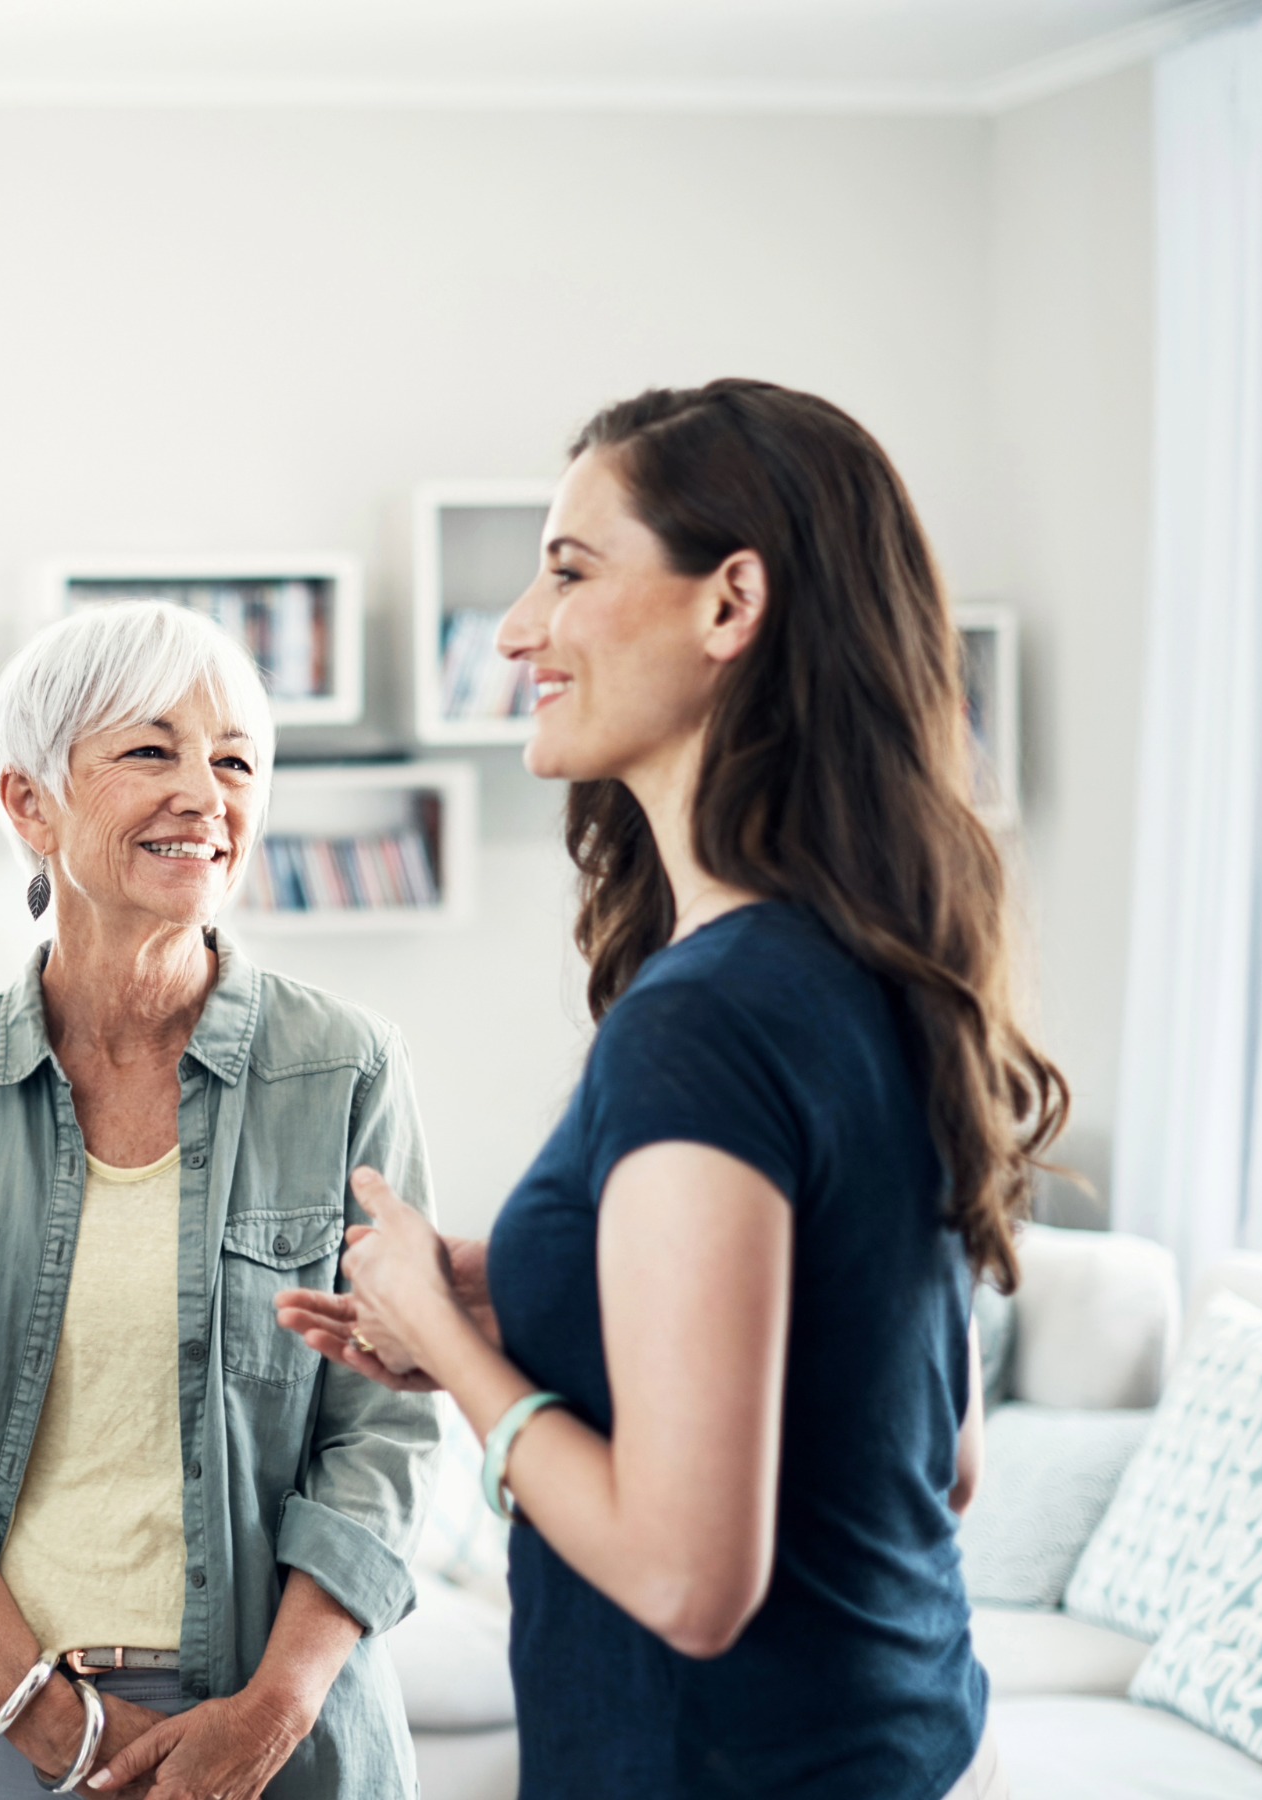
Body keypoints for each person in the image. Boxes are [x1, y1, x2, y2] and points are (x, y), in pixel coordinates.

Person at [280, 380, 1069, 1800]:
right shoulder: (878, 970)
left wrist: (446, 1344)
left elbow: (690, 1580)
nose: (519, 630)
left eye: (570, 571)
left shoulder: (700, 1023)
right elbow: (929, 1458)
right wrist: (529, 1293)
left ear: (730, 603)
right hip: (921, 1742)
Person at [0, 600, 440, 1800]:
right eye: (149, 751)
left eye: (235, 761)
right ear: (28, 804)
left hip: (273, 1719)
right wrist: (59, 1728)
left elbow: (386, 1430)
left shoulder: (347, 1069)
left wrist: (270, 1714)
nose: (203, 794)